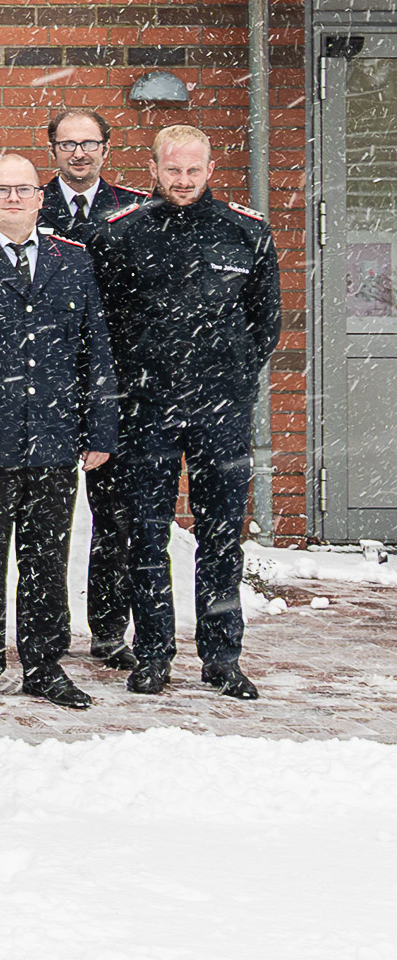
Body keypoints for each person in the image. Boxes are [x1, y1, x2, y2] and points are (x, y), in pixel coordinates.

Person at [90, 125, 282, 699]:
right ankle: (152, 655)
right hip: (145, 410)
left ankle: (222, 658)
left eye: (193, 170)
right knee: (145, 535)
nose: (183, 180)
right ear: (153, 169)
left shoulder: (246, 232)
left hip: (221, 411)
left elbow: (265, 322)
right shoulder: (120, 234)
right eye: (173, 170)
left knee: (222, 536)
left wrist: (228, 375)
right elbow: (105, 327)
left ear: (210, 169)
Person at [0, 153, 119, 709]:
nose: (13, 199)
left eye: (24, 190)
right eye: (1, 190)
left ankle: (43, 664)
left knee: (45, 559)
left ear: (40, 198)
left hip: (53, 437)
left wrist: (100, 429)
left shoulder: (73, 260)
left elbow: (94, 351)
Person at [40, 105, 148, 668]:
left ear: (107, 148)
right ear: (51, 149)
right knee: (44, 522)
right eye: (67, 144)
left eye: (89, 143)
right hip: (48, 383)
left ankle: (109, 632)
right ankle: (43, 638)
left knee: (117, 518)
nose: (78, 153)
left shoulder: (134, 209)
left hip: (117, 385)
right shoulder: (29, 205)